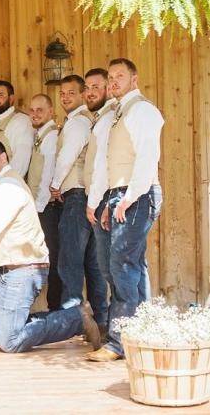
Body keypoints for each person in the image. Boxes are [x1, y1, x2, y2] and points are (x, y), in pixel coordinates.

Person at [0, 139, 101, 353]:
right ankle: (8, 327)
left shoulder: (7, 186)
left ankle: (76, 318)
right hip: (3, 266)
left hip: (21, 268)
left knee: (10, 343)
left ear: (3, 158)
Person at [86, 58, 163, 362]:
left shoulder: (143, 110)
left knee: (123, 266)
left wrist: (129, 197)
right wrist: (103, 200)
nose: (114, 81)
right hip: (116, 195)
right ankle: (143, 332)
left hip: (137, 195)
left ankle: (120, 341)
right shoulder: (115, 113)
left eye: (120, 76)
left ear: (135, 78)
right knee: (113, 266)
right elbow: (106, 162)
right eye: (111, 77)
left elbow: (147, 156)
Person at [49, 75, 108, 327]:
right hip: (89, 197)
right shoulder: (85, 120)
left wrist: (54, 184)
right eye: (62, 93)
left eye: (71, 93)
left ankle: (72, 321)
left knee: (70, 262)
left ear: (82, 94)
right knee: (92, 264)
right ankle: (101, 320)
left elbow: (67, 157)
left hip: (75, 195)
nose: (65, 97)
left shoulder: (77, 123)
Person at [26, 94, 62, 310]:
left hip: (48, 208)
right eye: (32, 110)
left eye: (40, 110)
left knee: (54, 259)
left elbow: (49, 174)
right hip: (40, 207)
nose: (35, 114)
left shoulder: (51, 136)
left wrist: (38, 210)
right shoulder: (38, 135)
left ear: (51, 112)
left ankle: (55, 308)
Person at [0, 80, 34, 177]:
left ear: (11, 99)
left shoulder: (20, 121)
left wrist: (9, 184)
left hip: (8, 186)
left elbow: (21, 161)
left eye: (0, 95)